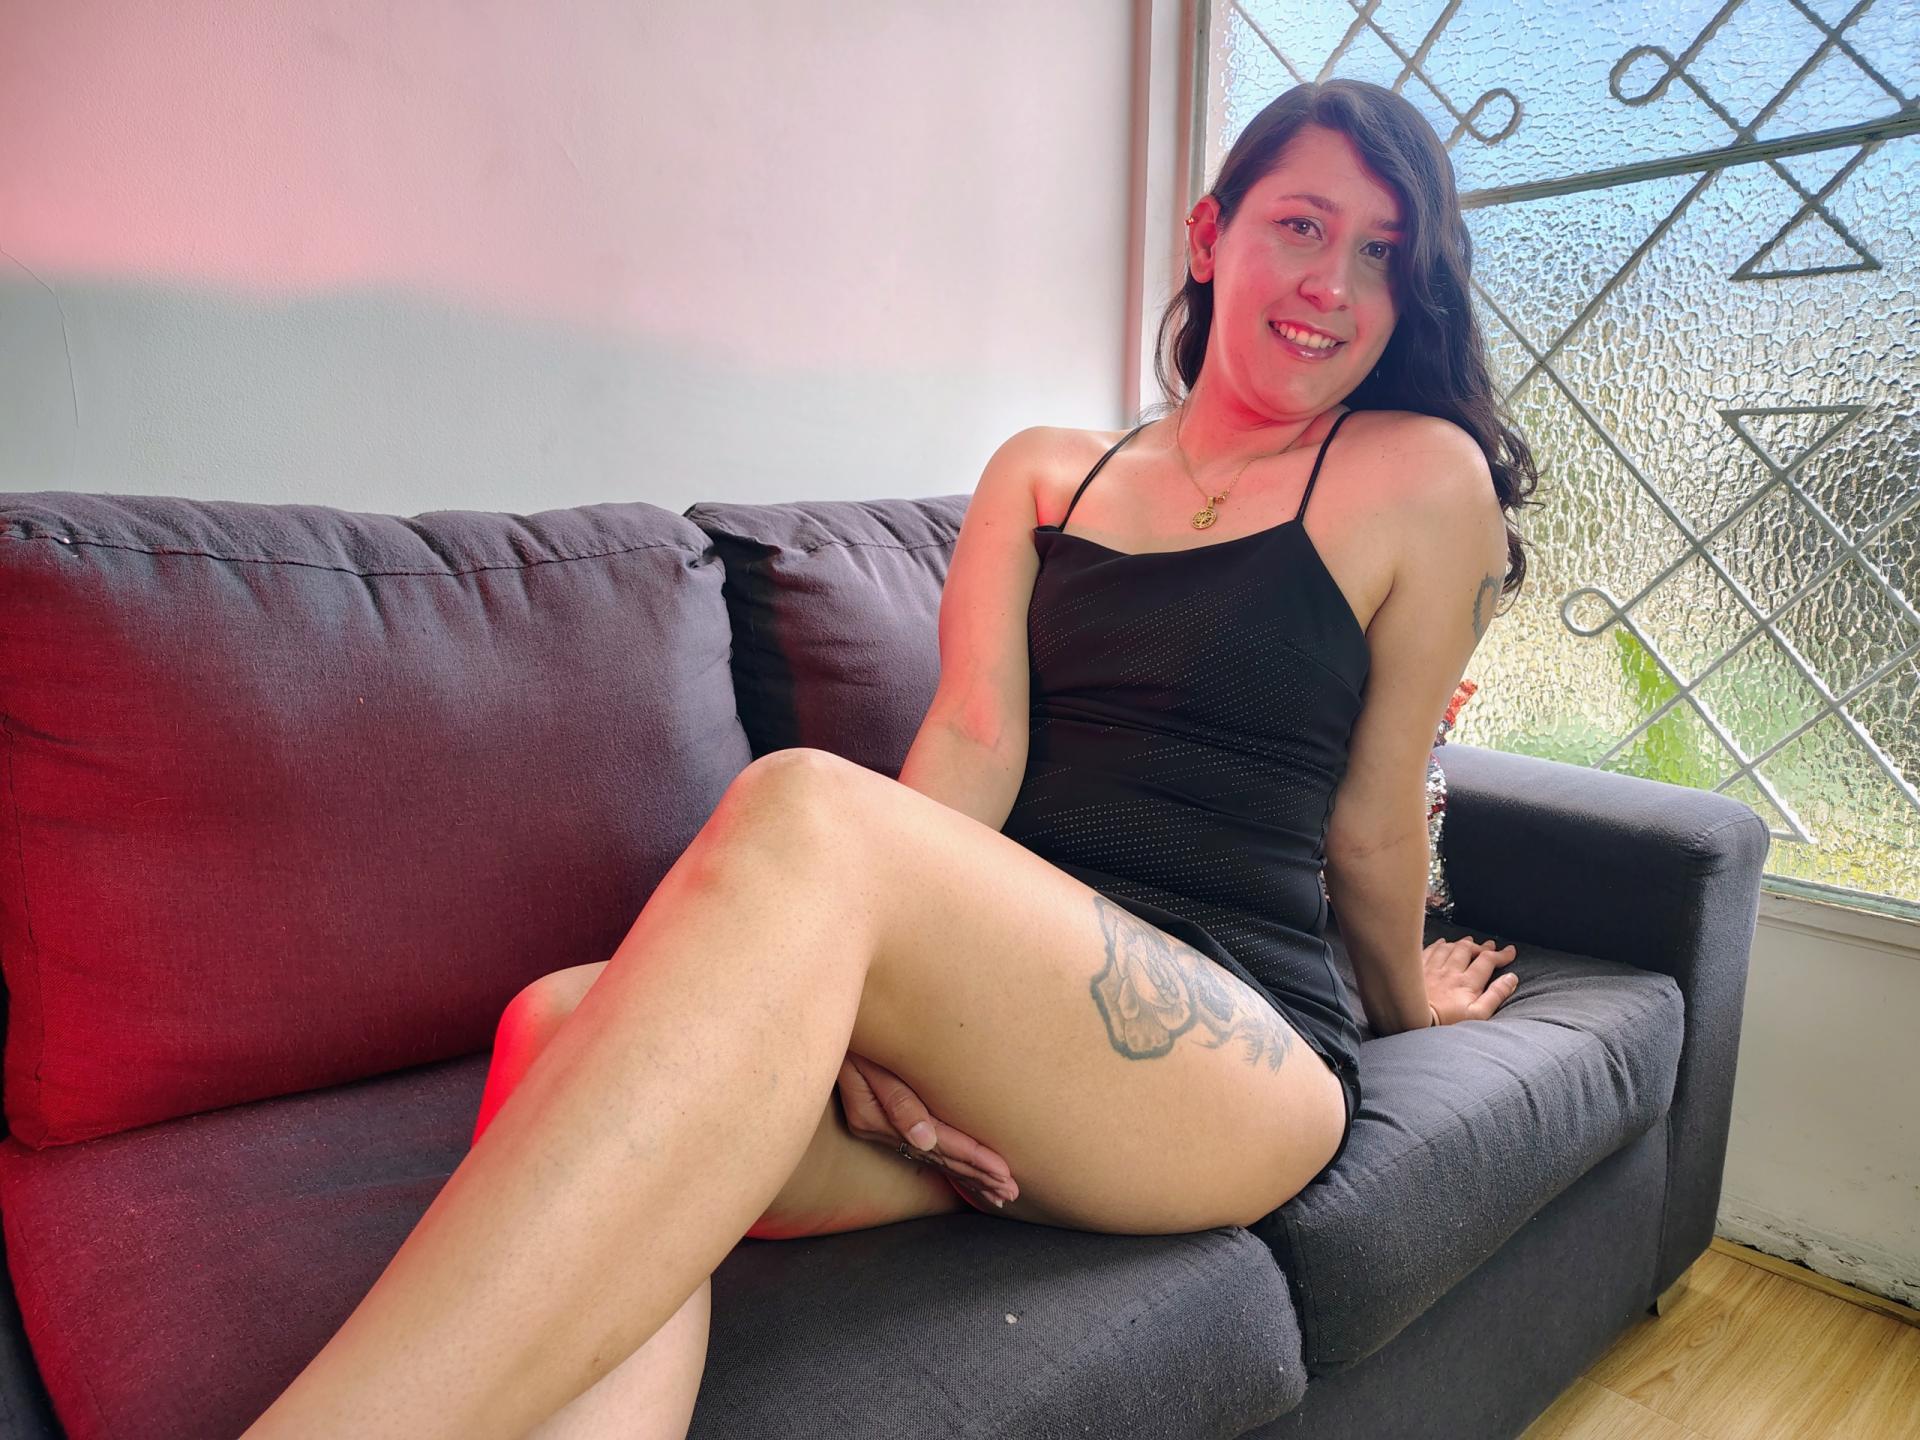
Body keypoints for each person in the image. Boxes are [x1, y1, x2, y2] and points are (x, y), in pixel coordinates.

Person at [240, 78, 1543, 1440]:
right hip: (1008, 1040)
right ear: (1211, 236)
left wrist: (1406, 1010)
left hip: (1237, 1050)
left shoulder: (1418, 475)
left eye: (1382, 253)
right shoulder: (1047, 472)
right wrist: (862, 1006)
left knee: (806, 805)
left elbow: (1372, 824)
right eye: (1303, 225)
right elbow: (973, 743)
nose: (1334, 283)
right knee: (555, 1025)